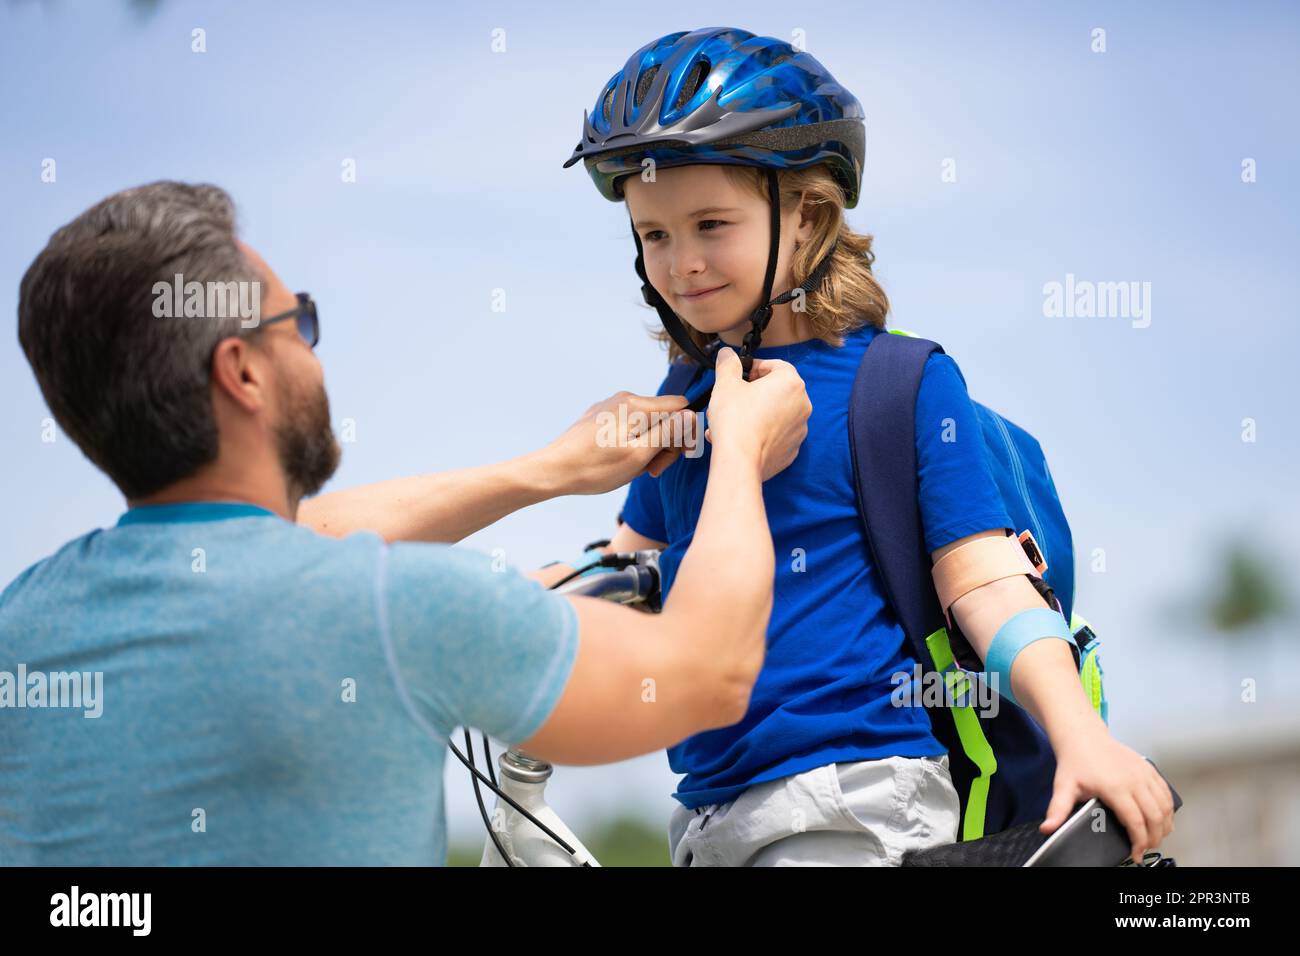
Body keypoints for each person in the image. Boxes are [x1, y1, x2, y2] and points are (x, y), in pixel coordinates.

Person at [0, 180, 812, 865]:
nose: (316, 353)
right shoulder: (396, 609)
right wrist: (739, 454)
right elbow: (710, 673)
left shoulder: (24, 621)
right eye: (300, 324)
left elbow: (285, 541)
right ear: (242, 373)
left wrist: (547, 471)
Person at [555, 26, 1176, 866]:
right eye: (655, 234)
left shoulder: (900, 383)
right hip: (707, 815)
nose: (681, 263)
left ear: (807, 214)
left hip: (850, 796)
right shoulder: (684, 402)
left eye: (710, 223)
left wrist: (1080, 735)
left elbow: (986, 582)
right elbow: (629, 578)